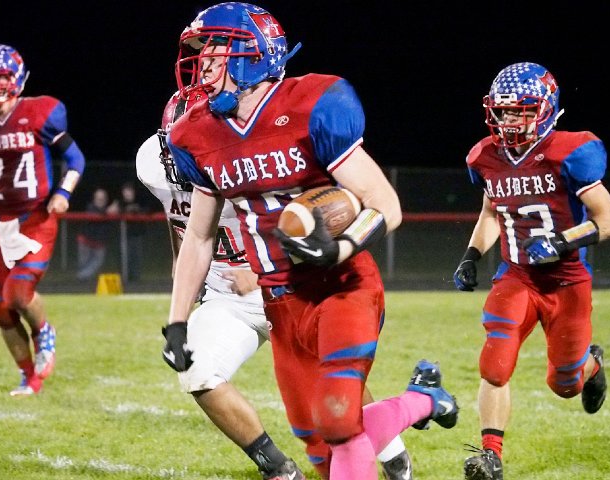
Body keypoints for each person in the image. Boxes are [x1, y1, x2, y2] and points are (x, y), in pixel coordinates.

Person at [161, 4, 458, 479]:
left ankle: (420, 401)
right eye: (201, 57)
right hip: (280, 302)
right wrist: (177, 321)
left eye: (215, 54)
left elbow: (386, 204)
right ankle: (425, 398)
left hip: (342, 286)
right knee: (322, 450)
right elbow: (198, 236)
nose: (204, 69)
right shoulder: (197, 134)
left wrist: (339, 247)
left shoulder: (312, 105)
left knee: (338, 420)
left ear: (255, 55)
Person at [143, 92, 416, 480]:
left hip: (285, 283)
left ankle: (392, 449)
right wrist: (182, 298)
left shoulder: (252, 158)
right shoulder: (153, 165)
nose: (183, 154)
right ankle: (277, 467)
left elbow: (298, 222)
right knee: (198, 369)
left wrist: (260, 270)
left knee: (333, 383)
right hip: (226, 296)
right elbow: (186, 230)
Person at [453, 62, 610, 480]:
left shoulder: (572, 152)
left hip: (566, 281)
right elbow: (491, 211)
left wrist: (561, 242)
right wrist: (471, 255)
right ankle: (490, 456)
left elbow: (609, 222)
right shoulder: (486, 157)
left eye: (521, 110)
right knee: (495, 362)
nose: (510, 119)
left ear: (545, 110)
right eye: (504, 110)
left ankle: (591, 367)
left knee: (564, 385)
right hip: (517, 277)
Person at [0, 44, 86, 396]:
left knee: (17, 292)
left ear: (17, 78)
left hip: (34, 216)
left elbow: (75, 159)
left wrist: (64, 192)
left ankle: (44, 331)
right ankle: (30, 378)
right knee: (0, 309)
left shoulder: (41, 112)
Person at [76, 187, 116, 281]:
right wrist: (108, 212)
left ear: (106, 199)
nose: (100, 200)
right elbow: (98, 214)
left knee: (96, 263)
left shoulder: (108, 210)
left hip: (99, 243)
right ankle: (81, 280)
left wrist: (111, 211)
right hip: (86, 241)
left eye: (102, 198)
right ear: (94, 198)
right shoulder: (90, 207)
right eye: (98, 197)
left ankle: (82, 278)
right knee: (83, 263)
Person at [116, 181, 147, 282]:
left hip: (137, 234)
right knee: (125, 257)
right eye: (126, 191)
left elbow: (147, 211)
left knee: (136, 256)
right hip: (124, 235)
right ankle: (124, 278)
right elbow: (111, 212)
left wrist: (136, 209)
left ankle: (135, 279)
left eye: (129, 191)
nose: (128, 193)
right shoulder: (120, 203)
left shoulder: (139, 202)